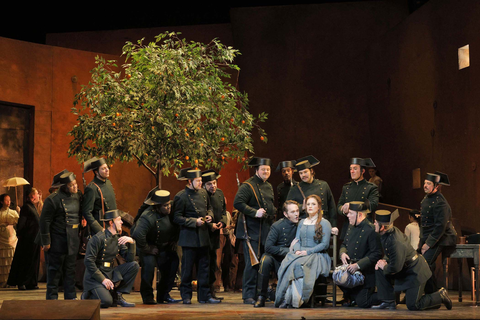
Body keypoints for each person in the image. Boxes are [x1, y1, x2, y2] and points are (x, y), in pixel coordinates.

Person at [372, 209, 452, 310]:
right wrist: (383, 261)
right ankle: (388, 301)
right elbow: (390, 254)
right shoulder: (387, 233)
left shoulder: (395, 241)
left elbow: (396, 267)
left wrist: (384, 265)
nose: (374, 224)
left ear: (382, 227)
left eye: (376, 223)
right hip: (405, 269)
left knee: (413, 305)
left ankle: (440, 295)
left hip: (415, 272)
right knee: (379, 267)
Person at [172, 168, 220, 304]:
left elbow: (209, 207)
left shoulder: (204, 193)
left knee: (204, 268)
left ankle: (204, 295)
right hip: (189, 237)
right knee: (187, 269)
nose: (200, 183)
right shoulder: (181, 196)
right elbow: (176, 218)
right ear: (189, 181)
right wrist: (194, 221)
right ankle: (186, 296)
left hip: (203, 236)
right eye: (198, 181)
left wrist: (210, 215)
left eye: (200, 181)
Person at [275, 195, 332, 308]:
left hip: (317, 255)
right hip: (301, 253)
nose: (310, 206)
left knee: (297, 265)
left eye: (313, 204)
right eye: (308, 204)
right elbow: (297, 240)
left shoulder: (325, 223)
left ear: (319, 207)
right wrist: (297, 250)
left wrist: (307, 252)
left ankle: (298, 300)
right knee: (287, 263)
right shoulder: (302, 222)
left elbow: (324, 244)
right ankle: (286, 299)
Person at [234, 157, 275, 304]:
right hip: (250, 231)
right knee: (252, 264)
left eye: (268, 169)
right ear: (257, 170)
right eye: (263, 169)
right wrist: (254, 212)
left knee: (263, 264)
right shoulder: (247, 186)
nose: (266, 172)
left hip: (265, 230)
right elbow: (238, 203)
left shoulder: (268, 186)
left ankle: (260, 293)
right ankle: (248, 295)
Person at [131, 189, 181, 305]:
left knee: (173, 264)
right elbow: (137, 234)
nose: (168, 207)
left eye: (168, 204)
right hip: (150, 245)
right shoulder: (148, 216)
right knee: (148, 268)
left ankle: (163, 295)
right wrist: (147, 248)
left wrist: (174, 240)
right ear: (157, 207)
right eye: (165, 206)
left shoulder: (173, 209)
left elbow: (178, 224)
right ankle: (148, 297)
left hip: (166, 245)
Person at [82, 209, 139, 308]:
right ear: (111, 222)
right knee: (106, 302)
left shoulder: (117, 238)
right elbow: (88, 261)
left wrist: (132, 243)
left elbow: (129, 259)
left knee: (134, 266)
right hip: (95, 277)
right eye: (119, 220)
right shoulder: (98, 238)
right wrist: (103, 279)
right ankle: (88, 296)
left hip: (110, 272)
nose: (122, 222)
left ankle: (117, 295)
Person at [39, 170, 81, 300]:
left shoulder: (78, 196)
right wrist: (46, 242)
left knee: (70, 272)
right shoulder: (53, 200)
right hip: (57, 241)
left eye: (75, 184)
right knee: (54, 272)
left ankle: (71, 298)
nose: (75, 186)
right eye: (71, 185)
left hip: (72, 240)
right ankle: (52, 300)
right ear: (64, 187)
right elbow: (44, 221)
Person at [254, 200, 299, 308]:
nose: (296, 214)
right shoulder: (277, 226)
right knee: (265, 261)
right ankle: (261, 296)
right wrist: (288, 250)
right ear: (285, 214)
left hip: (294, 257)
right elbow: (268, 247)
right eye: (293, 212)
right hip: (277, 257)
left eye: (297, 211)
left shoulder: (301, 224)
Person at [338, 201, 382, 308]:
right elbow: (344, 243)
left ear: (360, 215)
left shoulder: (371, 229)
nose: (348, 215)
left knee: (363, 302)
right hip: (351, 270)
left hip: (366, 273)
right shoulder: (351, 226)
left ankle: (388, 296)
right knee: (337, 277)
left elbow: (376, 254)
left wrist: (358, 265)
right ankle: (352, 297)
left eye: (351, 213)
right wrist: (342, 253)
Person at [420, 172, 457, 294]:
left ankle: (434, 294)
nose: (425, 185)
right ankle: (427, 293)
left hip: (440, 238)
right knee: (416, 262)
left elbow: (440, 227)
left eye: (428, 183)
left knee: (425, 263)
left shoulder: (440, 202)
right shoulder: (427, 198)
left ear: (436, 186)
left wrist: (427, 244)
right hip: (428, 236)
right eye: (425, 182)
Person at [286, 155, 337, 234]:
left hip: (323, 224)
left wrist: (333, 225)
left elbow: (332, 207)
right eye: (301, 173)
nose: (303, 175)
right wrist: (301, 207)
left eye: (305, 172)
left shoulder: (323, 185)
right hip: (305, 226)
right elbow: (287, 207)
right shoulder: (295, 189)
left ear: (311, 171)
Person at [7, 188, 42, 290]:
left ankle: (31, 282)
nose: (39, 196)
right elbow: (22, 224)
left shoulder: (33, 207)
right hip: (28, 240)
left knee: (33, 261)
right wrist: (23, 236)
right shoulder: (26, 207)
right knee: (25, 261)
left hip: (35, 239)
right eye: (37, 194)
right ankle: (22, 282)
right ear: (32, 196)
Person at [337, 157, 379, 240]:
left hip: (365, 227)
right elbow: (339, 206)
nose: (352, 171)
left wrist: (351, 205)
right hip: (348, 226)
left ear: (362, 171)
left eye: (355, 169)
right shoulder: (346, 187)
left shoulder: (371, 187)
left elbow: (373, 205)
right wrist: (343, 210)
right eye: (351, 169)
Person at [202, 169, 228, 300]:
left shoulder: (219, 193)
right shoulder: (201, 195)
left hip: (216, 233)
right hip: (204, 234)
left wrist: (221, 223)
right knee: (205, 264)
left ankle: (212, 292)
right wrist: (209, 225)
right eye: (209, 184)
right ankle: (205, 293)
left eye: (214, 183)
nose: (213, 186)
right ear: (203, 185)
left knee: (213, 264)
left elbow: (223, 212)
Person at [82, 157, 117, 235]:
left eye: (107, 167)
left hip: (113, 226)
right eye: (103, 168)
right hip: (101, 229)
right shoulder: (92, 188)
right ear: (96, 172)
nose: (107, 170)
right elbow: (86, 212)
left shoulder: (108, 182)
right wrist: (99, 229)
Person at [0, 194, 19, 287]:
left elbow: (18, 222)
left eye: (9, 200)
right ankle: (3, 280)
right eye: (6, 200)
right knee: (2, 258)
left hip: (11, 235)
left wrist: (19, 212)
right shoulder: (0, 212)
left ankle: (11, 280)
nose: (8, 202)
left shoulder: (13, 212)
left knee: (11, 257)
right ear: (2, 202)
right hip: (2, 235)